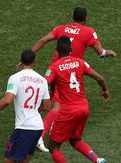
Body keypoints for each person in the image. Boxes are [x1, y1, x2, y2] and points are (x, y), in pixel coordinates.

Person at [31, 6, 116, 152]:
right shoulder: (89, 32)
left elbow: (43, 40)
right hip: (70, 71)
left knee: (49, 99)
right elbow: (100, 53)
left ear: (72, 17)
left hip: (54, 68)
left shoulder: (61, 28)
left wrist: (28, 55)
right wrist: (110, 53)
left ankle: (34, 122)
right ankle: (39, 136)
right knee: (57, 105)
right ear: (86, 19)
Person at [45, 36, 109, 163]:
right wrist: (104, 90)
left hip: (68, 111)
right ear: (71, 50)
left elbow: (44, 82)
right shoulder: (80, 62)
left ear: (56, 51)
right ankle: (96, 160)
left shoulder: (54, 67)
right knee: (74, 140)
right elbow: (100, 77)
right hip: (84, 108)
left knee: (53, 146)